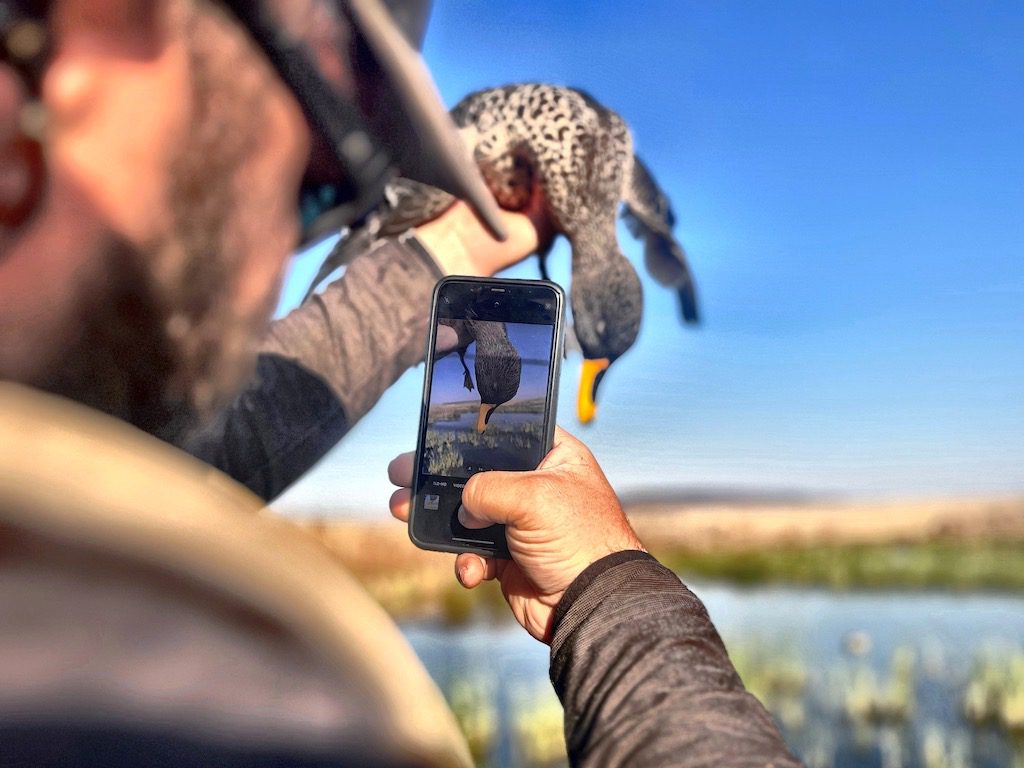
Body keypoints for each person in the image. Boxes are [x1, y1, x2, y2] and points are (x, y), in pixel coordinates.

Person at [0, 1, 801, 766]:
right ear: (81, 61)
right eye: (318, 184)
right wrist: (617, 587)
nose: (289, 243)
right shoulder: (237, 716)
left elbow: (158, 463)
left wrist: (604, 592)